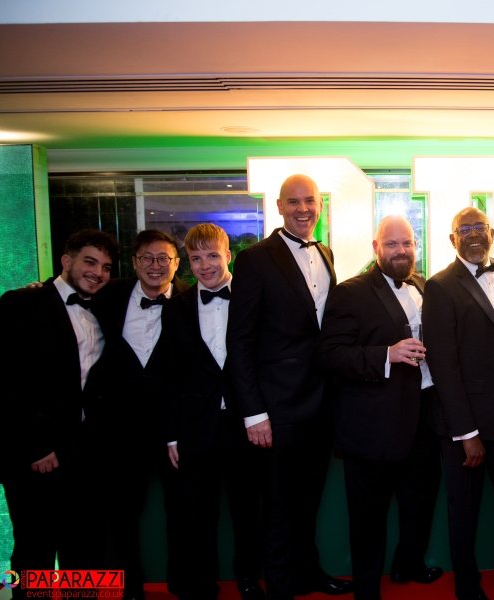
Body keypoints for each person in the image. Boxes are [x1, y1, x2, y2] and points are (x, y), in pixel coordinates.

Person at [226, 174, 351, 599]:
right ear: (278, 207)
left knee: (308, 501)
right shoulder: (254, 259)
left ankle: (307, 574)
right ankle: (280, 588)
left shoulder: (326, 253)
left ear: (320, 205)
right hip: (277, 406)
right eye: (293, 202)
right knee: (279, 505)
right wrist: (253, 413)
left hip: (321, 402)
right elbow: (239, 340)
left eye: (310, 201)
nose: (303, 209)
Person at [315, 215, 443, 600]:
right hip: (372, 426)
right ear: (376, 248)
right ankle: (367, 590)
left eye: (407, 244)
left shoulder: (424, 286)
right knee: (368, 518)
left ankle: (409, 564)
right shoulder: (351, 292)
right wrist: (386, 354)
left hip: (425, 417)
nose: (400, 251)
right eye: (391, 244)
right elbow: (329, 356)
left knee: (420, 505)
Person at [0, 229, 118, 599]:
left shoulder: (104, 308)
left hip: (86, 451)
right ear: (66, 261)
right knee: (32, 550)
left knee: (85, 549)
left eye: (106, 267)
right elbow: (6, 381)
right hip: (37, 453)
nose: (98, 272)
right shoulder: (21, 302)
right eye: (89, 262)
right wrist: (35, 446)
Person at [422, 206, 494, 600]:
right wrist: (466, 433)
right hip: (465, 425)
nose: (472, 234)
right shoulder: (439, 286)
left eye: (479, 227)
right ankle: (467, 589)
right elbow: (443, 364)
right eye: (463, 229)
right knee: (464, 514)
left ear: (492, 233)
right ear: (452, 239)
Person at [159, 224, 265, 600]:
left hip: (245, 423)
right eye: (196, 258)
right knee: (198, 515)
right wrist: (171, 434)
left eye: (212, 256)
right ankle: (203, 582)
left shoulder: (255, 298)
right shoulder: (176, 306)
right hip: (195, 427)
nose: (204, 266)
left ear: (228, 256)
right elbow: (170, 374)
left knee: (246, 511)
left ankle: (248, 578)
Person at [88, 228, 191, 600]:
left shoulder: (191, 300)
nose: (155, 265)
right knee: (122, 511)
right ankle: (130, 585)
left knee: (182, 510)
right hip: (121, 428)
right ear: (134, 262)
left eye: (164, 258)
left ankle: (182, 583)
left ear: (176, 264)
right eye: (147, 257)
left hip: (174, 429)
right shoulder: (108, 295)